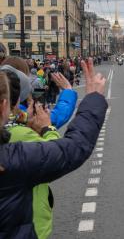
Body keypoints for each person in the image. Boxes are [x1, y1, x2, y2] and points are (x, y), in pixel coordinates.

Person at [0, 58, 107, 238]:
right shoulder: (14, 154)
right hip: (32, 225)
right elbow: (68, 149)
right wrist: (91, 98)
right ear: (4, 106)